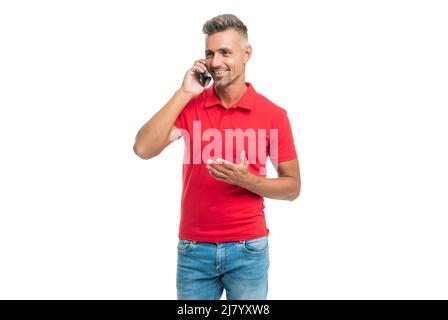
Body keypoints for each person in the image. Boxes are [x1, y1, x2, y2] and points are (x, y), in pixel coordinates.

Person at [133, 13, 301, 300]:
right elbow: (143, 149)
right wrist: (184, 92)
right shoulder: (190, 106)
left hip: (248, 248)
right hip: (194, 248)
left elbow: (292, 188)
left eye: (225, 52)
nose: (215, 62)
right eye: (210, 53)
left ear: (246, 54)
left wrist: (250, 181)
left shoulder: (273, 115)